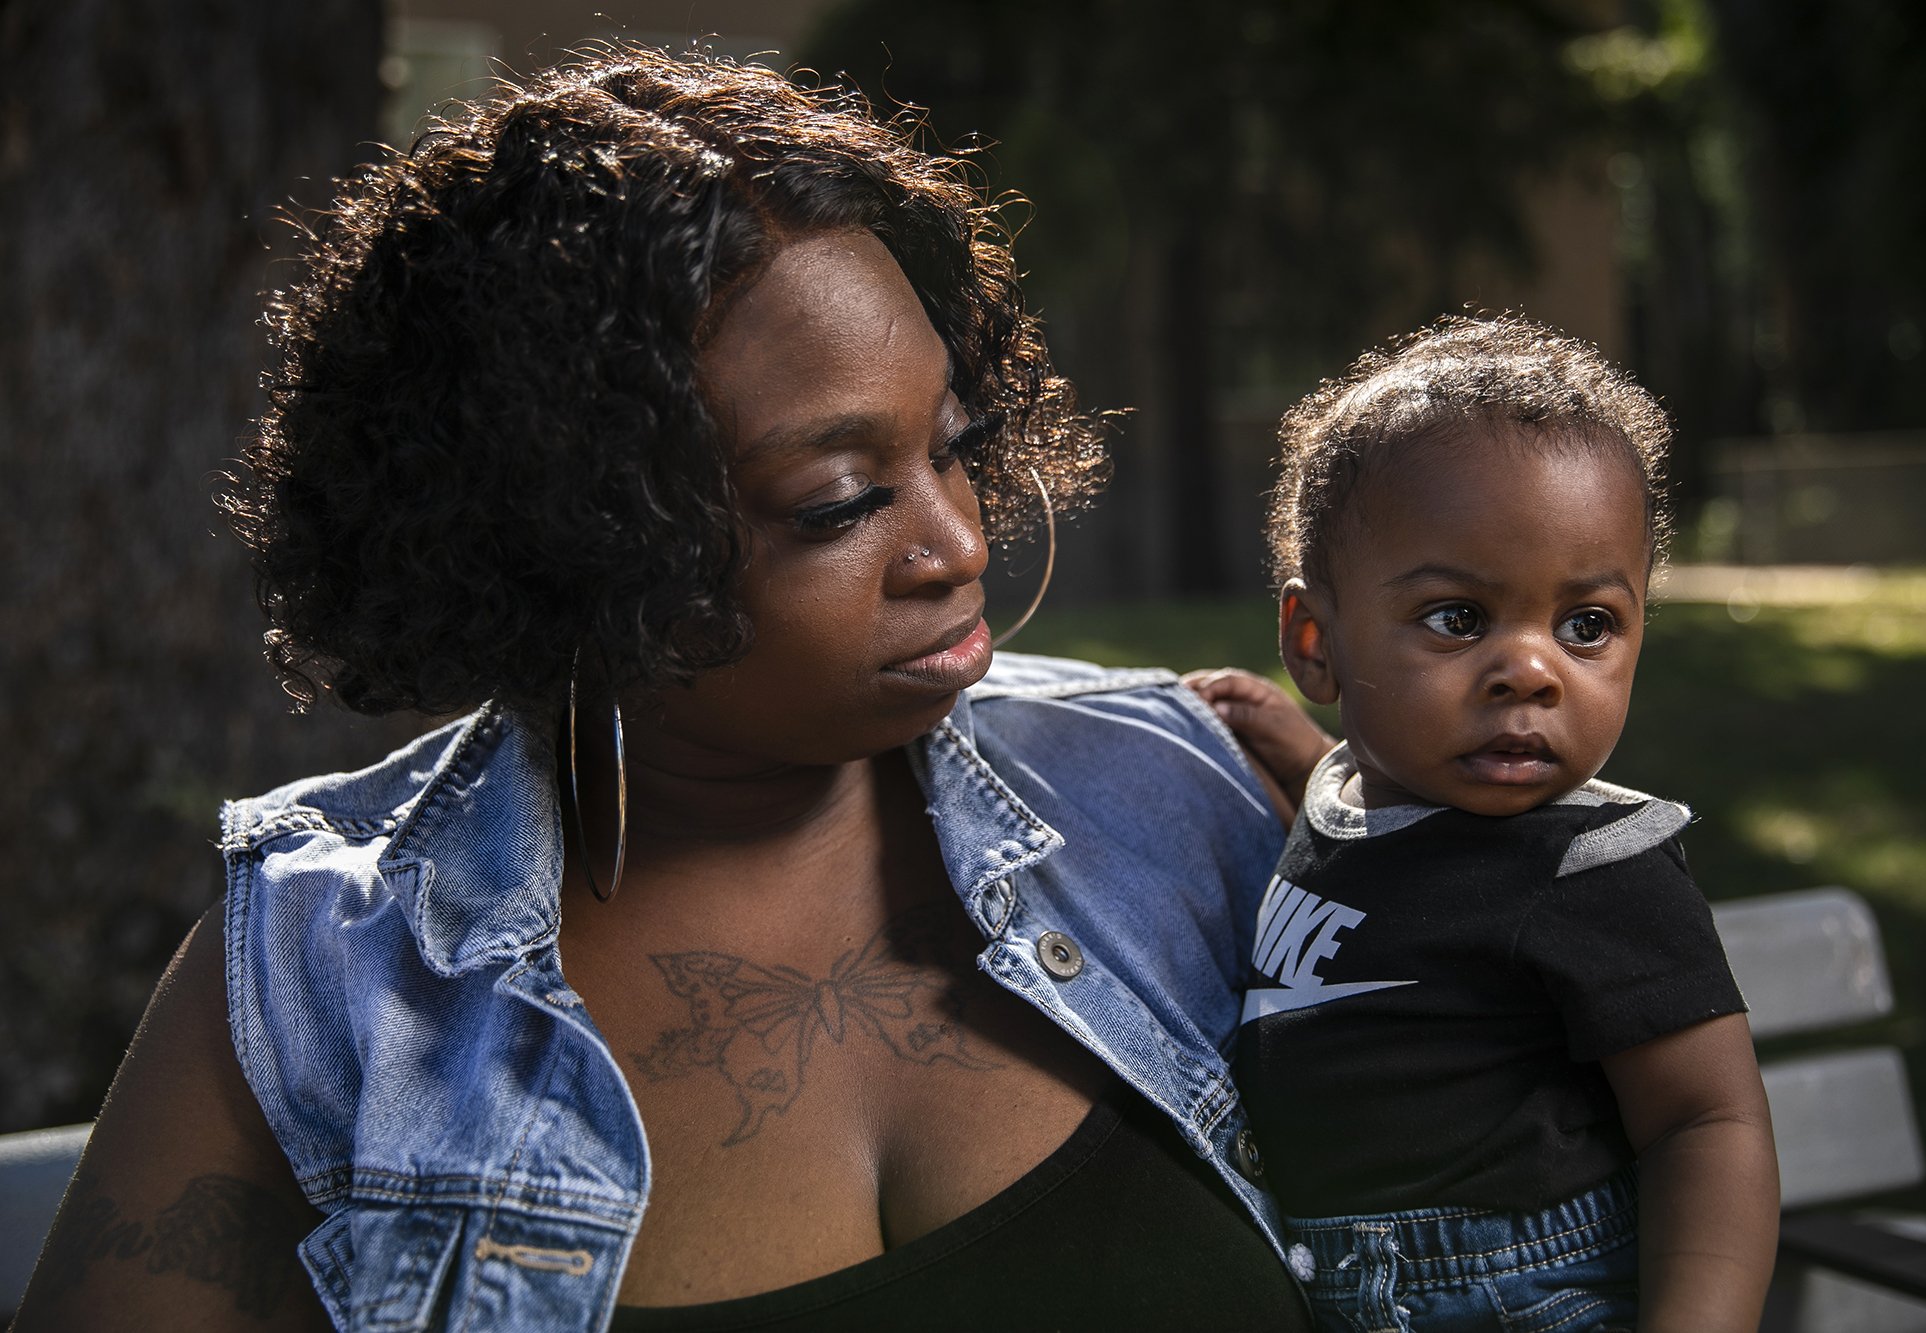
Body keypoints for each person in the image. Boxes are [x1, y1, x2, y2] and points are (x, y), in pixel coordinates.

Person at [14, 48, 1316, 1331]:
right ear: (574, 541)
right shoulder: (317, 976)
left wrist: (1455, 871)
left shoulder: (1183, 787)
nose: (958, 544)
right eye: (841, 500)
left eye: (955, 447)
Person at [1222, 316, 1780, 1331]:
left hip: (1522, 1297)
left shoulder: (1591, 869)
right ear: (1315, 645)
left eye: (1585, 625)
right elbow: (1397, 874)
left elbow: (1708, 1120)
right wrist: (1304, 756)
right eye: (1458, 617)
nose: (1531, 668)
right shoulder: (1363, 795)